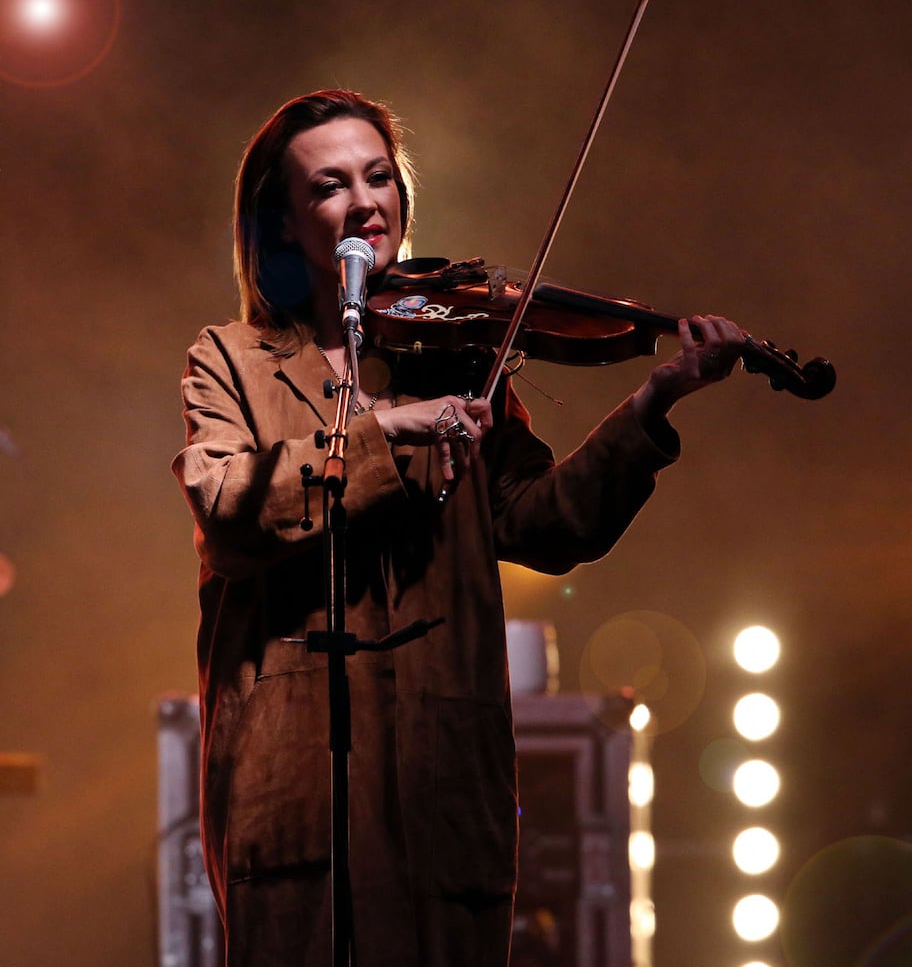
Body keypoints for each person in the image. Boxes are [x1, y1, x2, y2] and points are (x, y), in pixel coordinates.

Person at [172, 89, 744, 967]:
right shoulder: (231, 360)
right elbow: (229, 512)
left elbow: (547, 524)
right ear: (283, 225)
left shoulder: (459, 359)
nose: (366, 202)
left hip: (442, 775)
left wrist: (655, 398)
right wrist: (384, 434)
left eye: (378, 177)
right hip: (291, 782)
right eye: (329, 186)